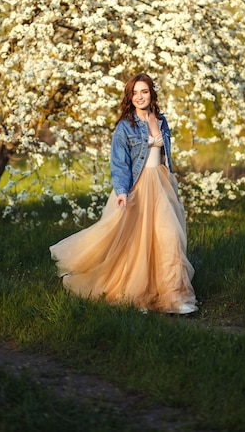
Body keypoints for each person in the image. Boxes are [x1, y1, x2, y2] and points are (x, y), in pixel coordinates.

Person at [49, 73, 198, 314]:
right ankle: (135, 295)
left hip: (161, 185)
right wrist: (121, 191)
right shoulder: (124, 127)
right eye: (135, 93)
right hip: (137, 187)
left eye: (144, 92)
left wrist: (172, 183)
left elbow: (164, 157)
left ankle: (176, 297)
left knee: (169, 237)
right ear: (130, 97)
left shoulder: (161, 121)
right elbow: (119, 164)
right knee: (135, 243)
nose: (140, 97)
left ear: (152, 93)